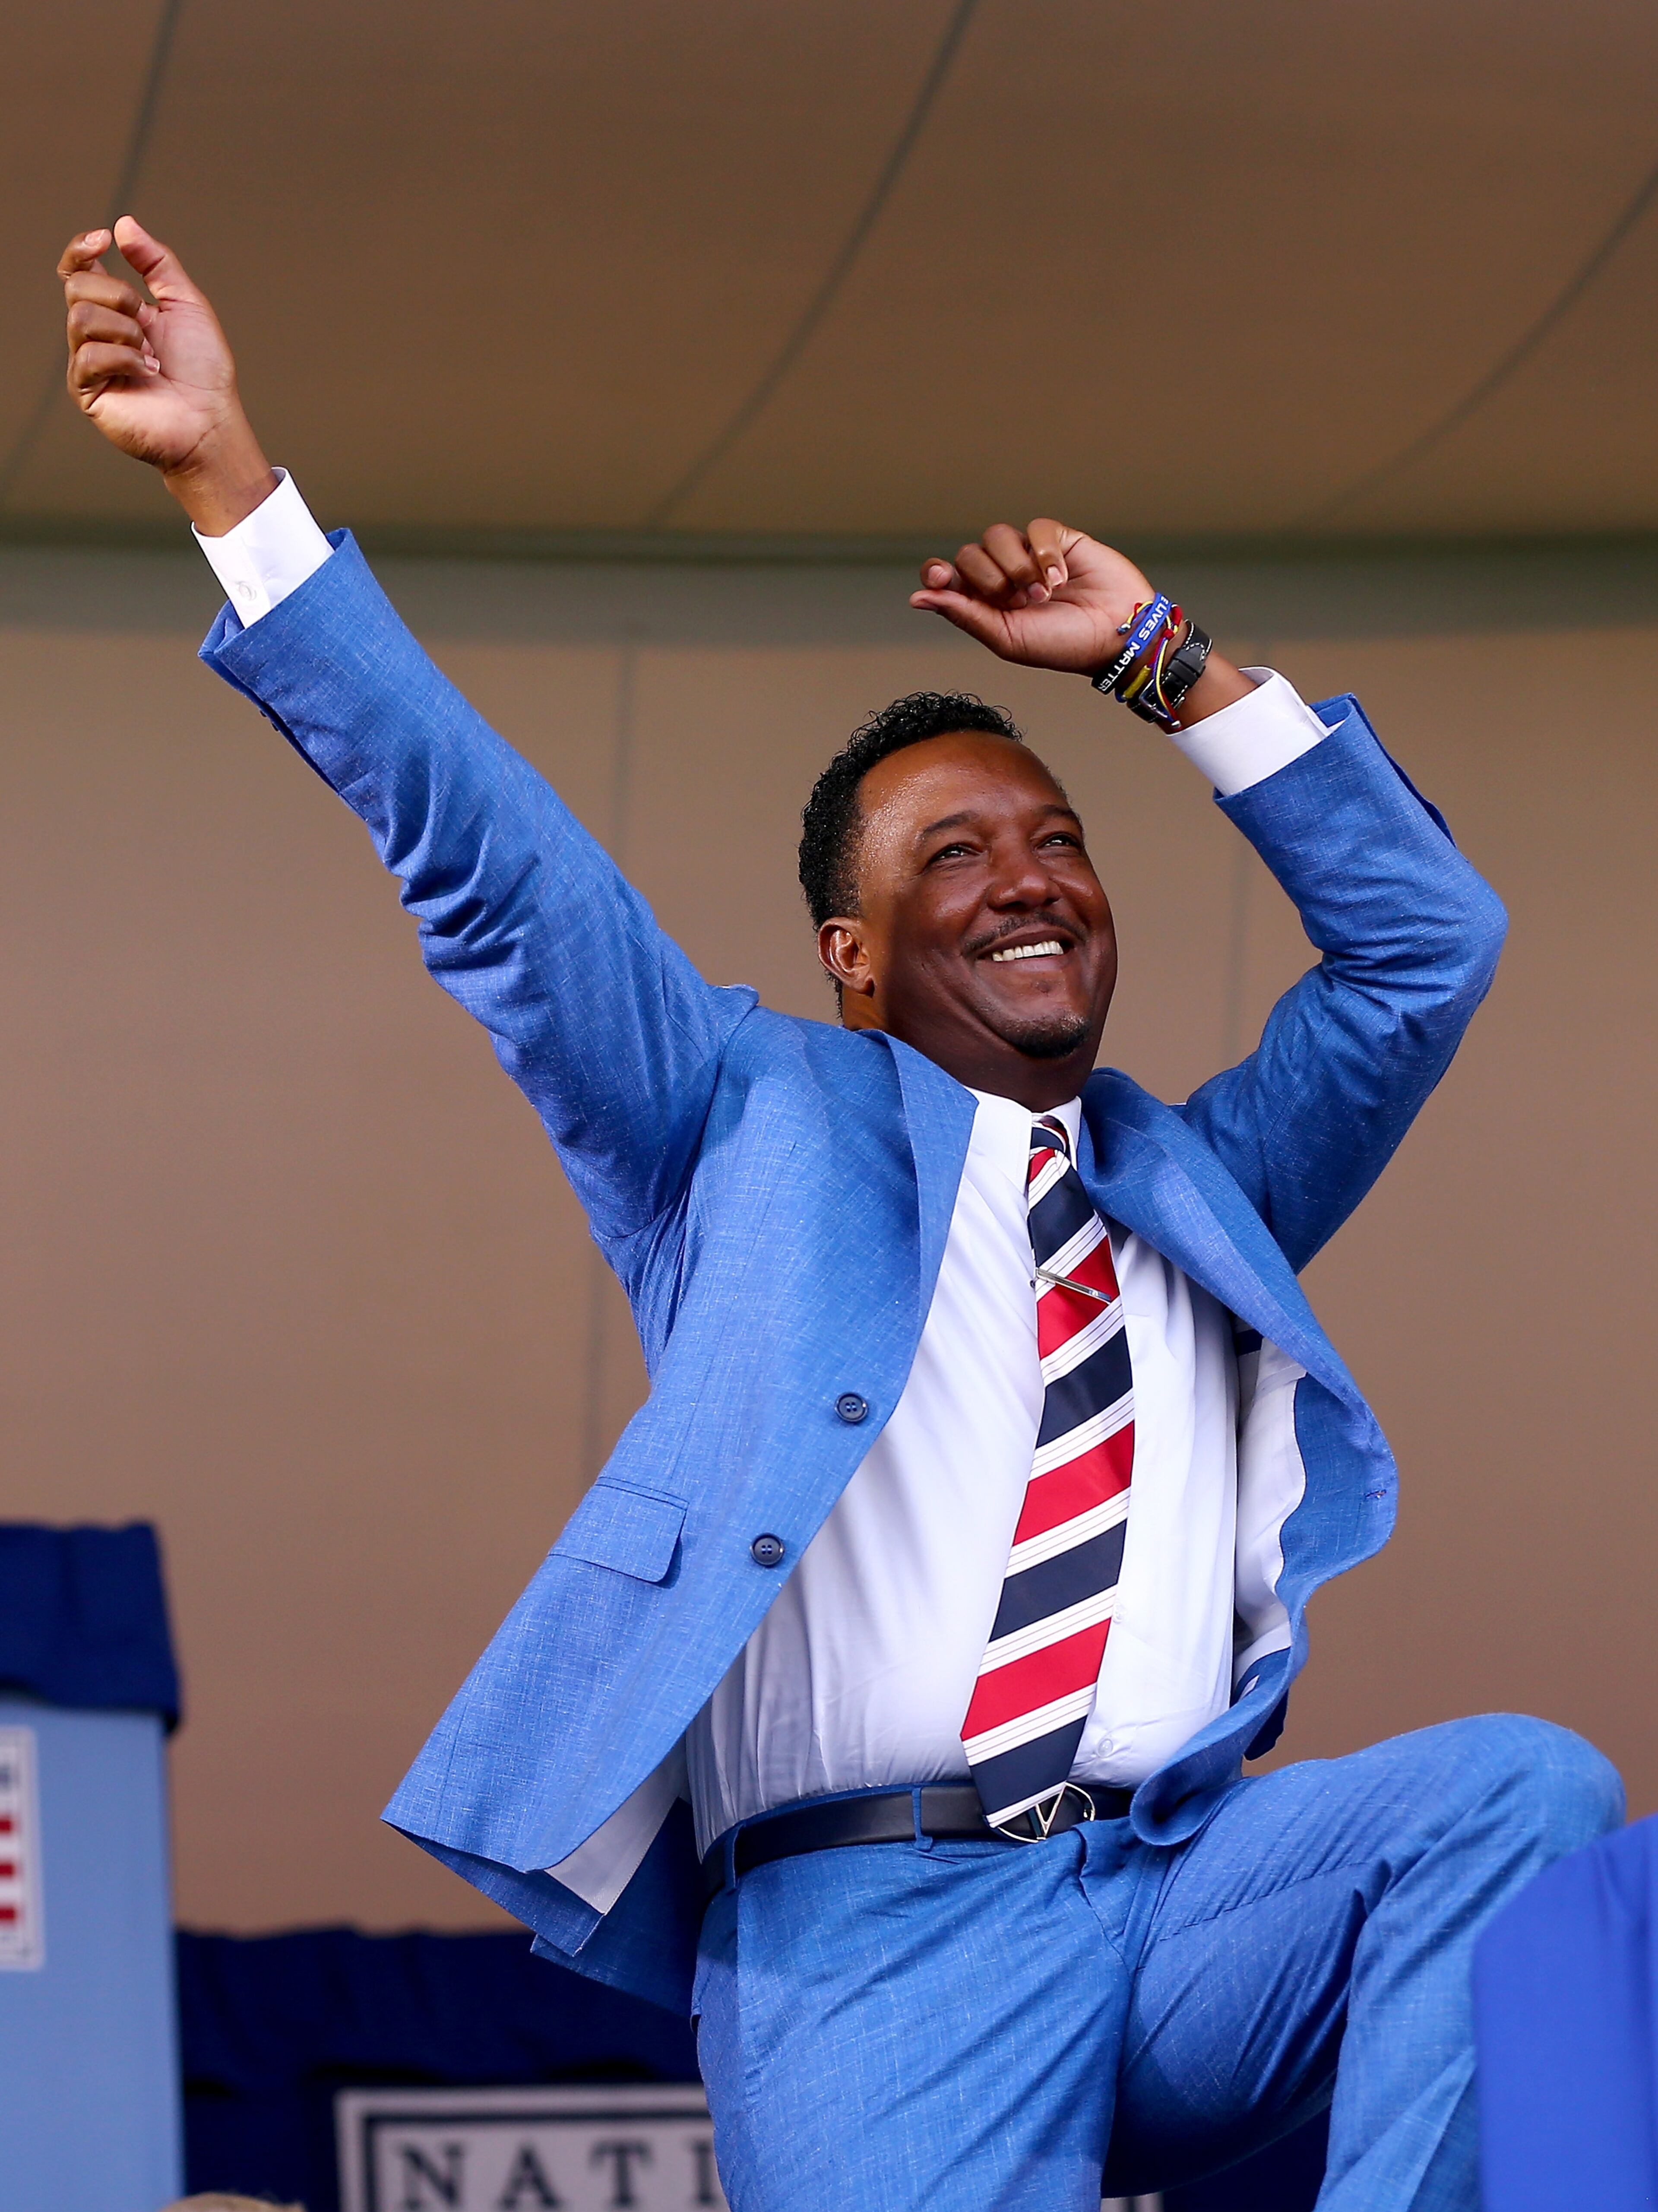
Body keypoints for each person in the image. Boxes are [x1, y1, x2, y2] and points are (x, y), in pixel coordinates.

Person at [59, 218, 1620, 2212]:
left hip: (1179, 1893)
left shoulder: (1205, 1187)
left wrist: (1162, 664)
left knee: (1517, 1795)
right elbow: (494, 869)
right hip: (878, 1937)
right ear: (854, 958)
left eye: (1059, 839)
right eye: (955, 855)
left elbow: (1427, 947)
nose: (1033, 875)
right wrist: (230, 490)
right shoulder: (738, 1117)